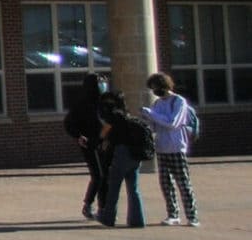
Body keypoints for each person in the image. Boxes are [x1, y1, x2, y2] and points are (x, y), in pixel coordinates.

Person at [142, 73, 201, 227]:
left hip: (176, 146)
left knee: (183, 182)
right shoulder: (157, 104)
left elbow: (173, 122)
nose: (155, 91)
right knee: (166, 183)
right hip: (162, 147)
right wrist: (148, 119)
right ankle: (172, 214)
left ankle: (192, 216)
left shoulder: (178, 101)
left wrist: (152, 115)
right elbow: (155, 126)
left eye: (157, 87)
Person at [97, 89, 148, 229]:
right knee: (134, 189)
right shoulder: (128, 115)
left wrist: (101, 140)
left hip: (121, 152)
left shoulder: (114, 116)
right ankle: (137, 220)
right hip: (134, 154)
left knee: (114, 186)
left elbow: (103, 133)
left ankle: (108, 217)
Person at [63, 73, 108, 221]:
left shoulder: (105, 103)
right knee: (98, 175)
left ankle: (103, 207)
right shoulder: (81, 104)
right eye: (99, 83)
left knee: (105, 176)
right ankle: (88, 204)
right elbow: (69, 124)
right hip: (89, 143)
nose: (102, 85)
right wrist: (78, 136)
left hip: (104, 142)